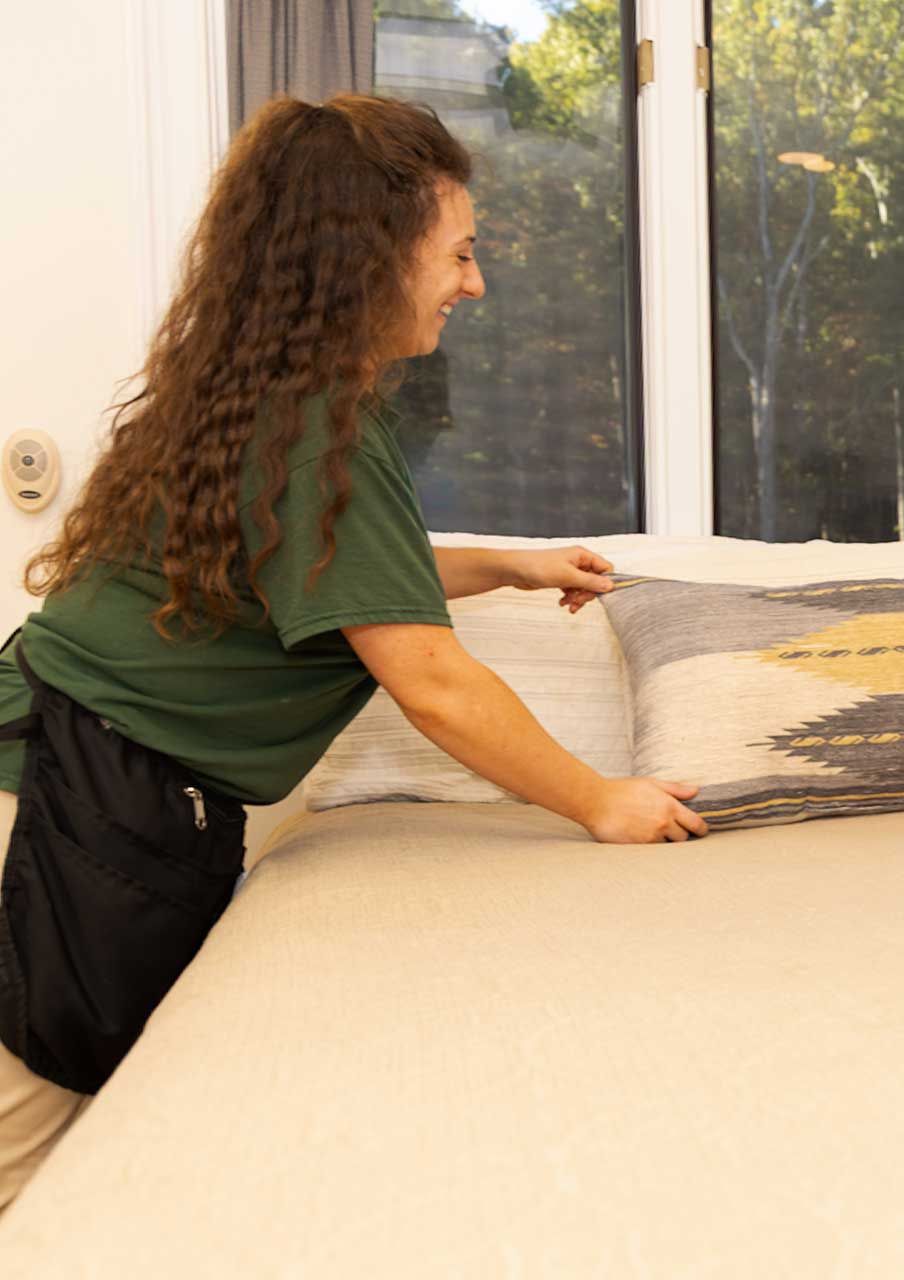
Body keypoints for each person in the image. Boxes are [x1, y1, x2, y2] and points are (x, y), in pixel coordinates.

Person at [0, 94, 706, 1211]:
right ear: (366, 254)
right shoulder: (316, 419)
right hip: (50, 788)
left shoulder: (277, 398)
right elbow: (425, 674)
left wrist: (510, 564)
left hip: (72, 762)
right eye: (460, 253)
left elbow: (331, 568)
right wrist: (599, 799)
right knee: (24, 1162)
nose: (474, 284)